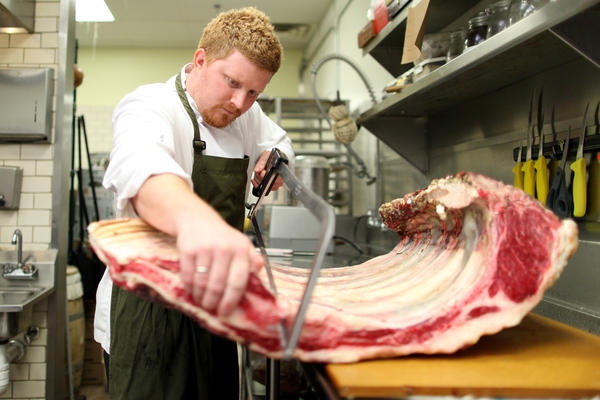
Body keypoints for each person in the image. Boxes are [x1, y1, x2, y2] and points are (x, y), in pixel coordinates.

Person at [93, 7, 294, 399]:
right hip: (148, 311)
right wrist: (201, 226)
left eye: (254, 92)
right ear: (200, 60)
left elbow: (280, 140)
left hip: (214, 309)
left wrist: (276, 157)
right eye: (232, 82)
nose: (240, 102)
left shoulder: (246, 118)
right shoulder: (149, 105)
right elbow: (143, 170)